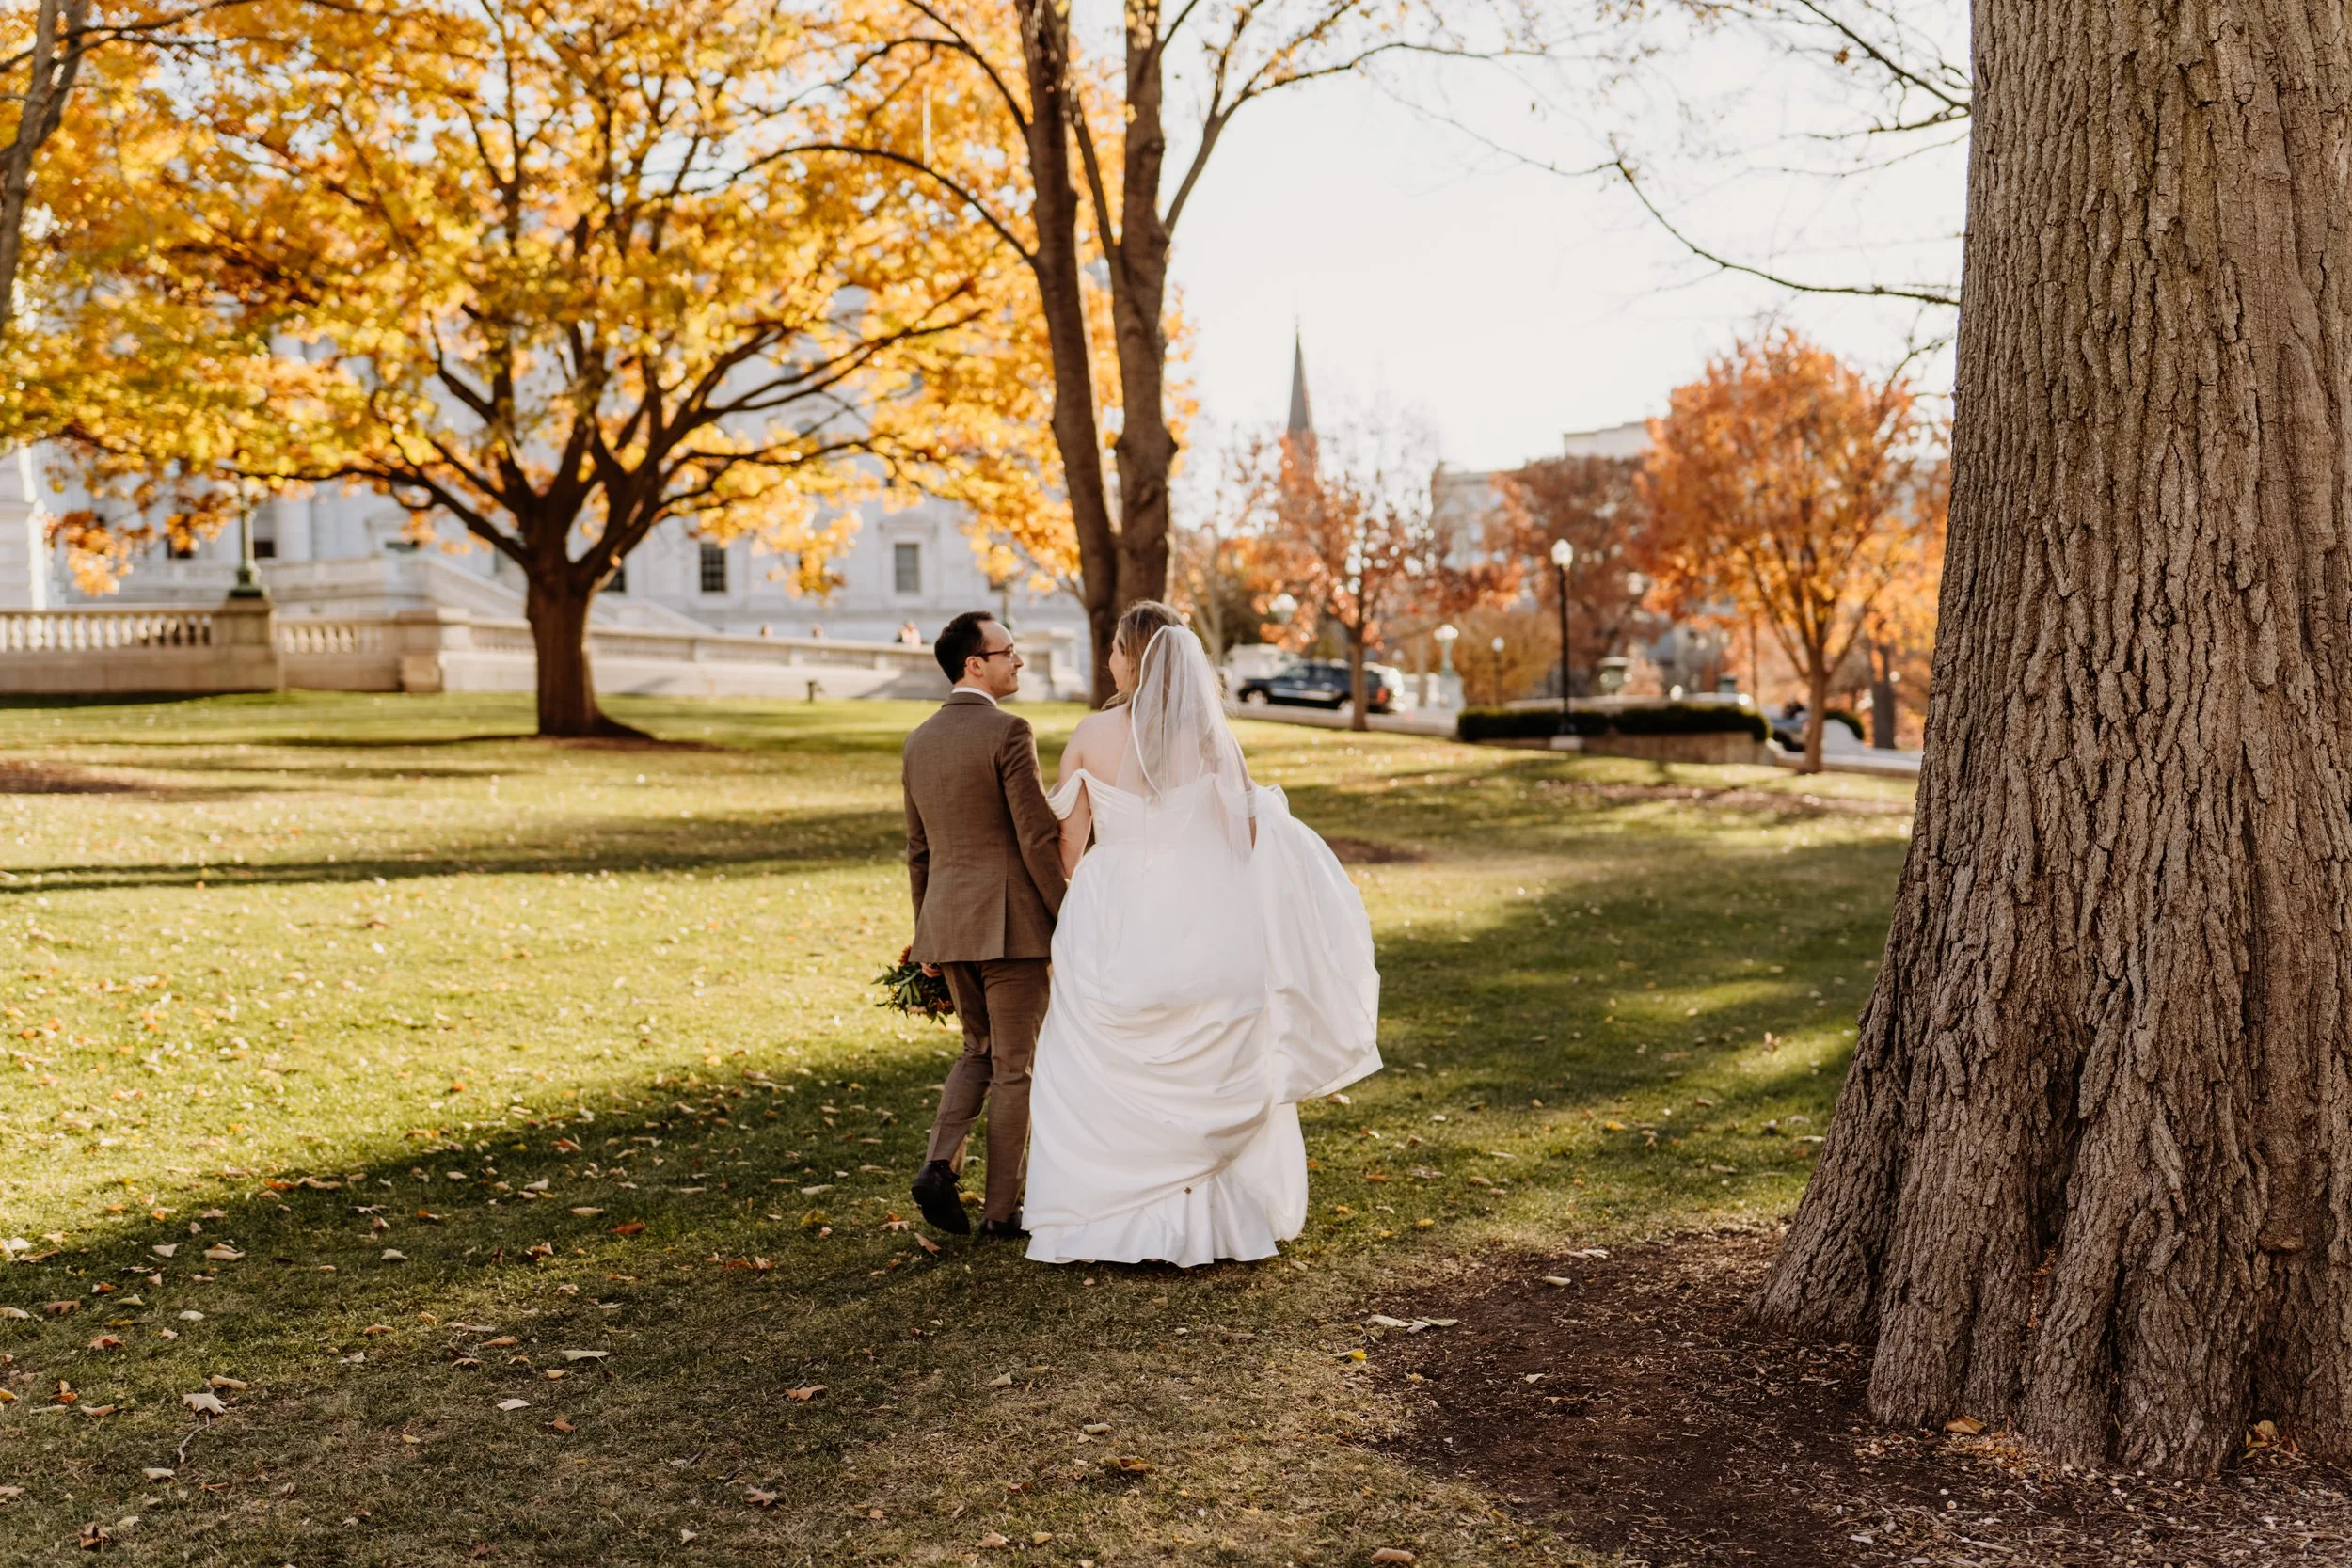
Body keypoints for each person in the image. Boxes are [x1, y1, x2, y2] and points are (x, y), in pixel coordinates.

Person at [1021, 602, 1382, 1267]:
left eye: (1114, 649)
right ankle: (1209, 1224)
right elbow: (1245, 837)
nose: (1107, 660)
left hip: (1112, 912)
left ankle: (1100, 1222)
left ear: (1134, 656)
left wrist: (1084, 904)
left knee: (1099, 1055)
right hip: (1198, 915)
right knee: (1207, 1042)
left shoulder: (1089, 734)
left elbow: (1066, 849)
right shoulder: (1213, 740)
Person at [900, 611, 1067, 1239]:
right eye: (1009, 652)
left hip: (947, 922)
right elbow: (1035, 836)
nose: (1017, 661)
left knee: (978, 1049)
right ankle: (1001, 1212)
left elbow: (918, 849)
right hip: (1012, 927)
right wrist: (1068, 913)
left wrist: (926, 935)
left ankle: (938, 1165)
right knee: (1015, 1066)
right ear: (976, 663)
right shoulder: (1008, 732)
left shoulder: (918, 741)